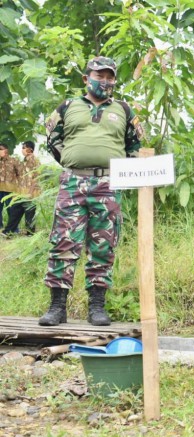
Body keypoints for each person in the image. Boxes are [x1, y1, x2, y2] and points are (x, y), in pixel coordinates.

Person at [39, 56, 143, 327]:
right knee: (63, 243)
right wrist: (73, 160)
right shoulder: (68, 106)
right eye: (99, 76)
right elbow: (52, 138)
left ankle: (97, 307)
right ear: (86, 79)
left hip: (108, 186)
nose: (105, 82)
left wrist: (120, 174)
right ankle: (57, 308)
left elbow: (135, 146)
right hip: (73, 183)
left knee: (103, 246)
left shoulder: (123, 109)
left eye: (110, 77)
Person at [3, 141, 40, 236]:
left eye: (24, 148)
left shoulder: (34, 160)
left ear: (30, 149)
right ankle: (8, 231)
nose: (22, 150)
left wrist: (31, 193)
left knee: (29, 214)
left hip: (30, 192)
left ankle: (30, 234)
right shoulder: (24, 161)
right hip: (22, 192)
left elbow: (36, 177)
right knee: (15, 211)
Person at [0, 143, 20, 234]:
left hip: (10, 190)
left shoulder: (13, 161)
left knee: (12, 209)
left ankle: (14, 229)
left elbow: (20, 175)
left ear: (6, 150)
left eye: (2, 149)